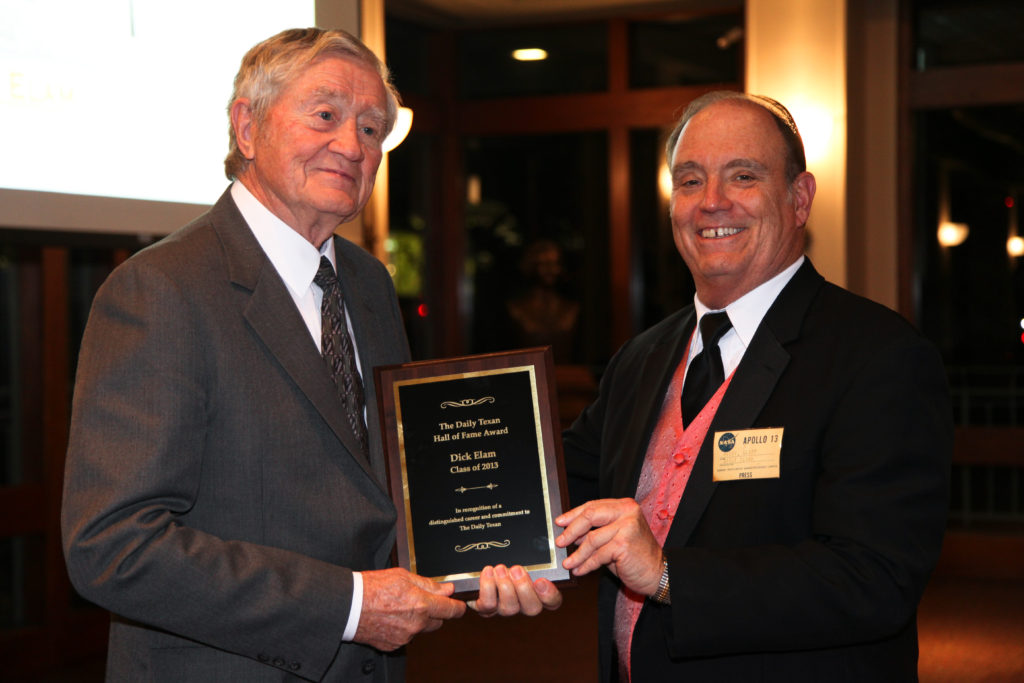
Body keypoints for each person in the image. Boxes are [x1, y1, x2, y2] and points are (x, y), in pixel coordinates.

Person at [61, 28, 470, 682]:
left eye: (372, 130)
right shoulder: (161, 289)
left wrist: (486, 558)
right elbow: (115, 546)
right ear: (248, 127)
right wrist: (349, 605)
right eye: (326, 115)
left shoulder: (367, 285)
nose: (352, 146)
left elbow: (378, 487)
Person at [549, 91, 952, 681]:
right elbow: (552, 488)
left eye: (743, 176)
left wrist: (666, 575)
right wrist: (483, 549)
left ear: (799, 198)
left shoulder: (879, 356)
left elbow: (874, 579)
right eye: (689, 181)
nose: (712, 202)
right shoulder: (641, 358)